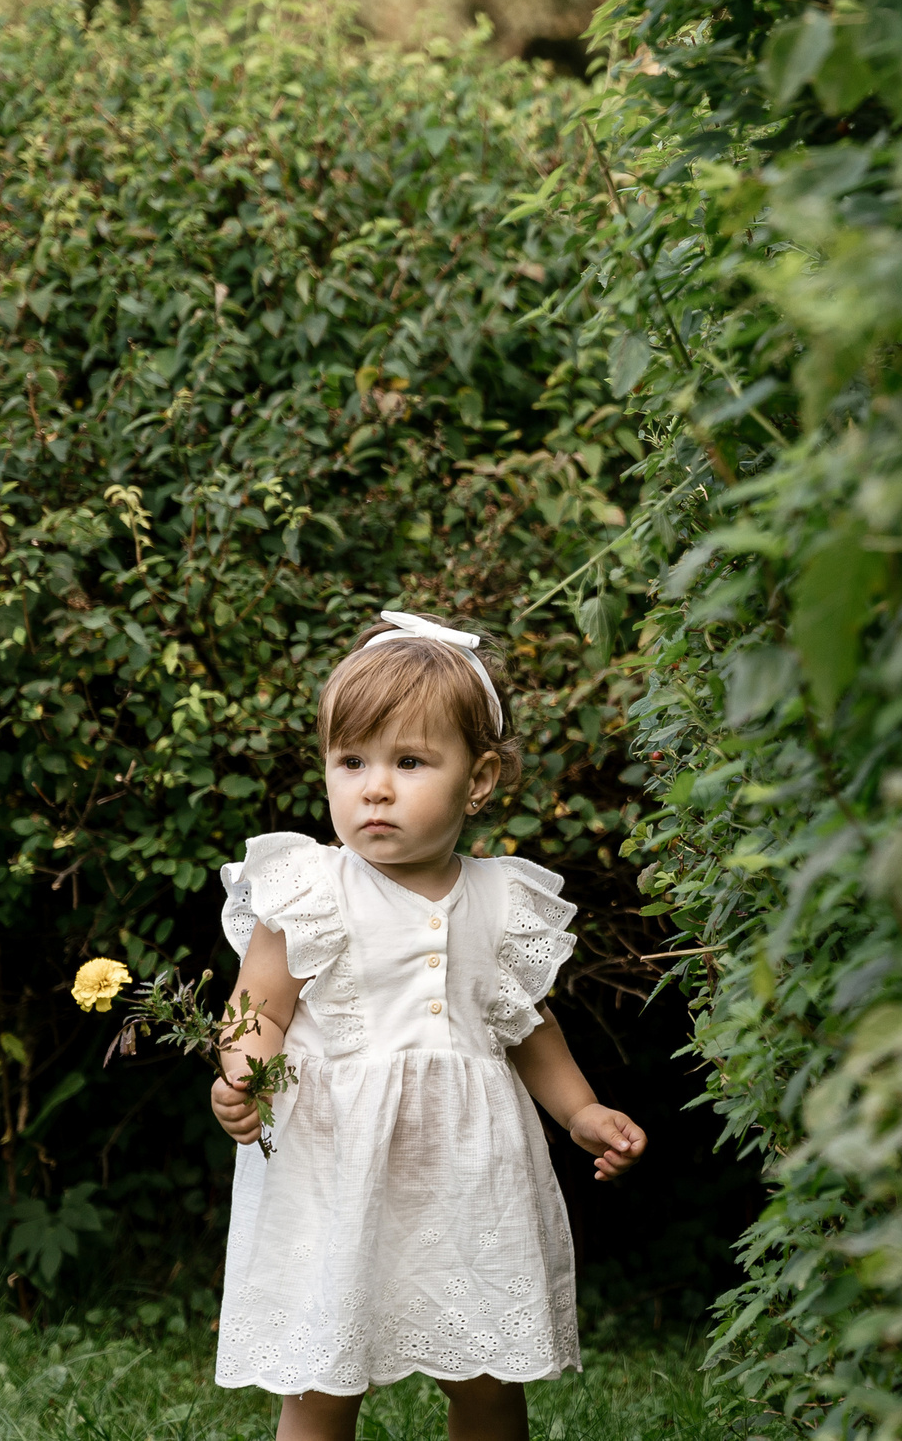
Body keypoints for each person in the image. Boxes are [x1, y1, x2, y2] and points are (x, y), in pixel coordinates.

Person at [205, 609, 646, 1441]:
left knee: (482, 1372)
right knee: (321, 1376)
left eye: (410, 761)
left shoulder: (503, 899)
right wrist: (243, 1075)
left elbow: (528, 1028)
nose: (374, 787)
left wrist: (582, 1112)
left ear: (477, 779)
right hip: (335, 1168)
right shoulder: (308, 887)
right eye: (352, 761)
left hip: (470, 1170)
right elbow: (258, 1007)